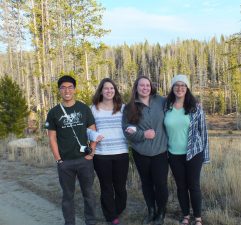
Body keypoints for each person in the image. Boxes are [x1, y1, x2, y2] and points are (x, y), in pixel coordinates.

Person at [45, 75, 97, 225]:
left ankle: (91, 221)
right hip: (65, 162)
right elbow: (52, 138)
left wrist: (92, 152)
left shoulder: (83, 108)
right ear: (59, 90)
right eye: (63, 87)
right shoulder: (54, 112)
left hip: (84, 161)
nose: (67, 90)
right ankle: (69, 222)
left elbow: (92, 131)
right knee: (68, 196)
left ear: (74, 89)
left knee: (89, 194)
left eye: (70, 87)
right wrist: (58, 159)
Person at [122, 76, 168, 225]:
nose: (145, 88)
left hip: (160, 152)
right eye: (142, 85)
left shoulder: (160, 101)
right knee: (146, 183)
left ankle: (161, 212)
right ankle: (151, 210)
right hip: (141, 152)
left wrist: (194, 103)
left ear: (151, 87)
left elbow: (179, 104)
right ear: (136, 87)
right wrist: (143, 135)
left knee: (160, 184)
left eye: (147, 85)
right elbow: (126, 130)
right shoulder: (130, 107)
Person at [164, 74, 210, 225]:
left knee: (194, 186)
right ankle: (185, 215)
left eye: (183, 85)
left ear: (187, 88)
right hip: (173, 154)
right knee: (181, 187)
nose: (180, 88)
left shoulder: (195, 108)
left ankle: (197, 217)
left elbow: (203, 132)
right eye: (176, 85)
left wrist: (206, 155)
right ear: (172, 88)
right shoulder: (166, 107)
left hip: (193, 153)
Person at [88, 78, 129, 225]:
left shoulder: (122, 108)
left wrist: (133, 129)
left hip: (121, 153)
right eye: (106, 88)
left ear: (115, 91)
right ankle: (110, 216)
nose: (109, 91)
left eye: (112, 88)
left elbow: (133, 124)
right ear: (101, 91)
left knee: (120, 187)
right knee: (106, 187)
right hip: (101, 154)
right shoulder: (93, 108)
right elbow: (87, 129)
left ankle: (118, 210)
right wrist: (94, 135)